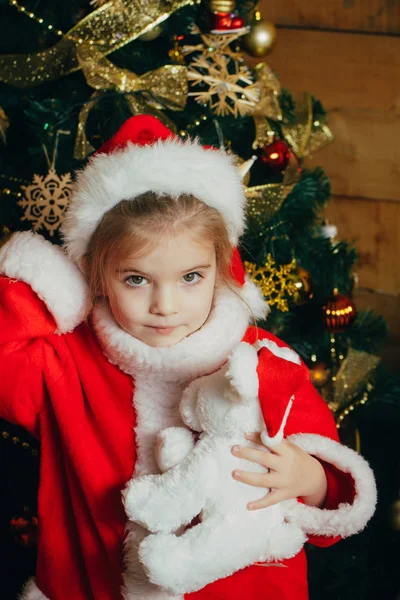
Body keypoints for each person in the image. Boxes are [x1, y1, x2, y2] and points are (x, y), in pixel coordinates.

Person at [0, 115, 376, 600]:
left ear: (221, 269)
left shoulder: (262, 364)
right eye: (136, 279)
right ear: (94, 273)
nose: (165, 305)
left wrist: (312, 480)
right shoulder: (64, 362)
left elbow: (333, 500)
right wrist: (58, 284)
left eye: (190, 277)